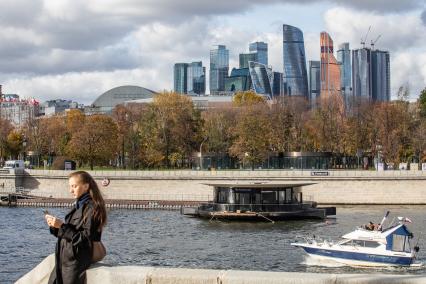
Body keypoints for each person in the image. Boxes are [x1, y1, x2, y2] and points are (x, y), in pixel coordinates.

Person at [45, 171, 107, 284]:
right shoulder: (79, 205)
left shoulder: (92, 208)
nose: (71, 190)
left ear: (86, 186)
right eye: (70, 186)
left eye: (74, 186)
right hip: (64, 260)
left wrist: (62, 226)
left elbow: (85, 239)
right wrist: (55, 227)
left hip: (75, 263)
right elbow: (71, 233)